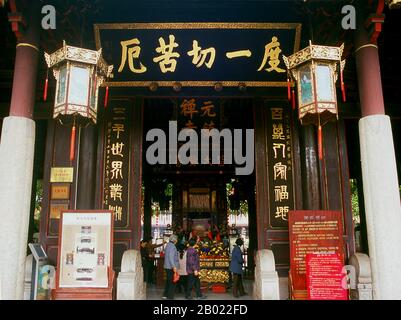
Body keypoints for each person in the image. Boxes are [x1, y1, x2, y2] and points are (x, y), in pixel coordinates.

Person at [163, 234, 180, 300]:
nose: (177, 241)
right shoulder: (173, 246)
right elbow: (171, 257)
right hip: (171, 267)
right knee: (172, 282)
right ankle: (170, 297)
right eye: (177, 239)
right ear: (175, 240)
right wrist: (174, 267)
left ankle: (165, 295)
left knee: (168, 281)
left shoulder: (168, 245)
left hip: (167, 266)